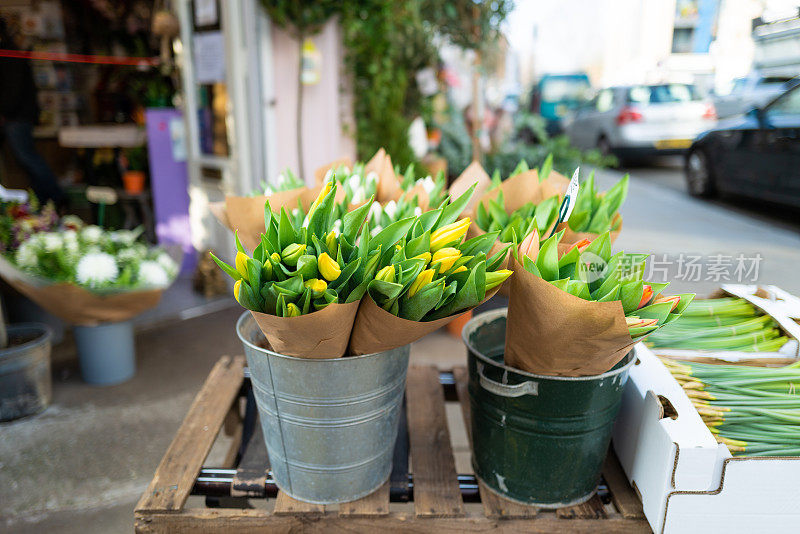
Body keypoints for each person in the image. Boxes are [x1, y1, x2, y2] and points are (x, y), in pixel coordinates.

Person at [0, 18, 65, 206]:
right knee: (26, 159)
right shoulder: (10, 52)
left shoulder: (8, 54)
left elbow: (13, 89)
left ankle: (54, 197)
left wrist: (4, 111)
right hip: (16, 114)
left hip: (16, 116)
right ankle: (45, 200)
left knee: (28, 157)